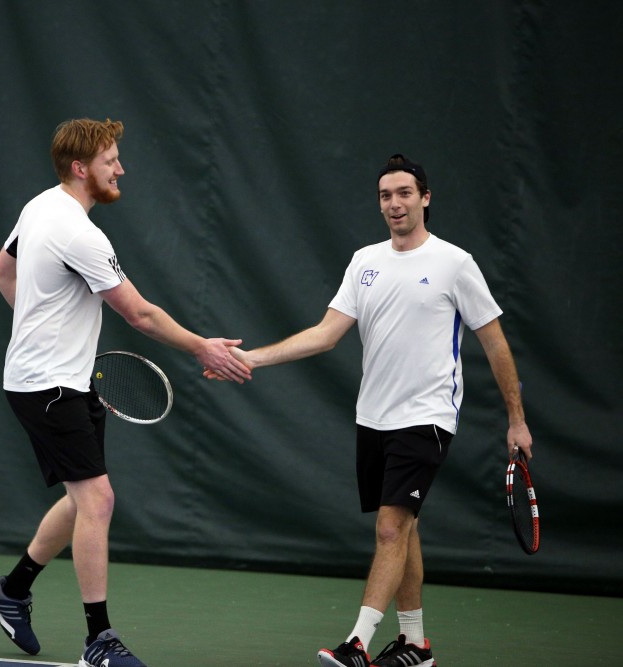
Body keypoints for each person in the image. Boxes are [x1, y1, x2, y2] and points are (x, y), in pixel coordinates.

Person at [211, 154, 533, 667]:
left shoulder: (454, 263)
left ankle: (357, 642)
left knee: (389, 527)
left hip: (427, 416)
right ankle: (415, 646)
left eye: (405, 193)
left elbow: (494, 344)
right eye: (386, 195)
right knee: (405, 529)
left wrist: (516, 418)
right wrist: (251, 358)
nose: (395, 204)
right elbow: (325, 334)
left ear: (425, 198)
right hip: (373, 419)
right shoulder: (365, 261)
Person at [0, 117, 251, 667]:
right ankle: (98, 642)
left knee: (82, 499)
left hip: (66, 379)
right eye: (111, 161)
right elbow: (141, 315)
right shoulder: (80, 234)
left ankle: (10, 590)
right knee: (98, 500)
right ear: (82, 169)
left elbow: (1, 273)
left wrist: (38, 330)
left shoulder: (38, 207)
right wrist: (203, 347)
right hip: (47, 386)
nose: (121, 168)